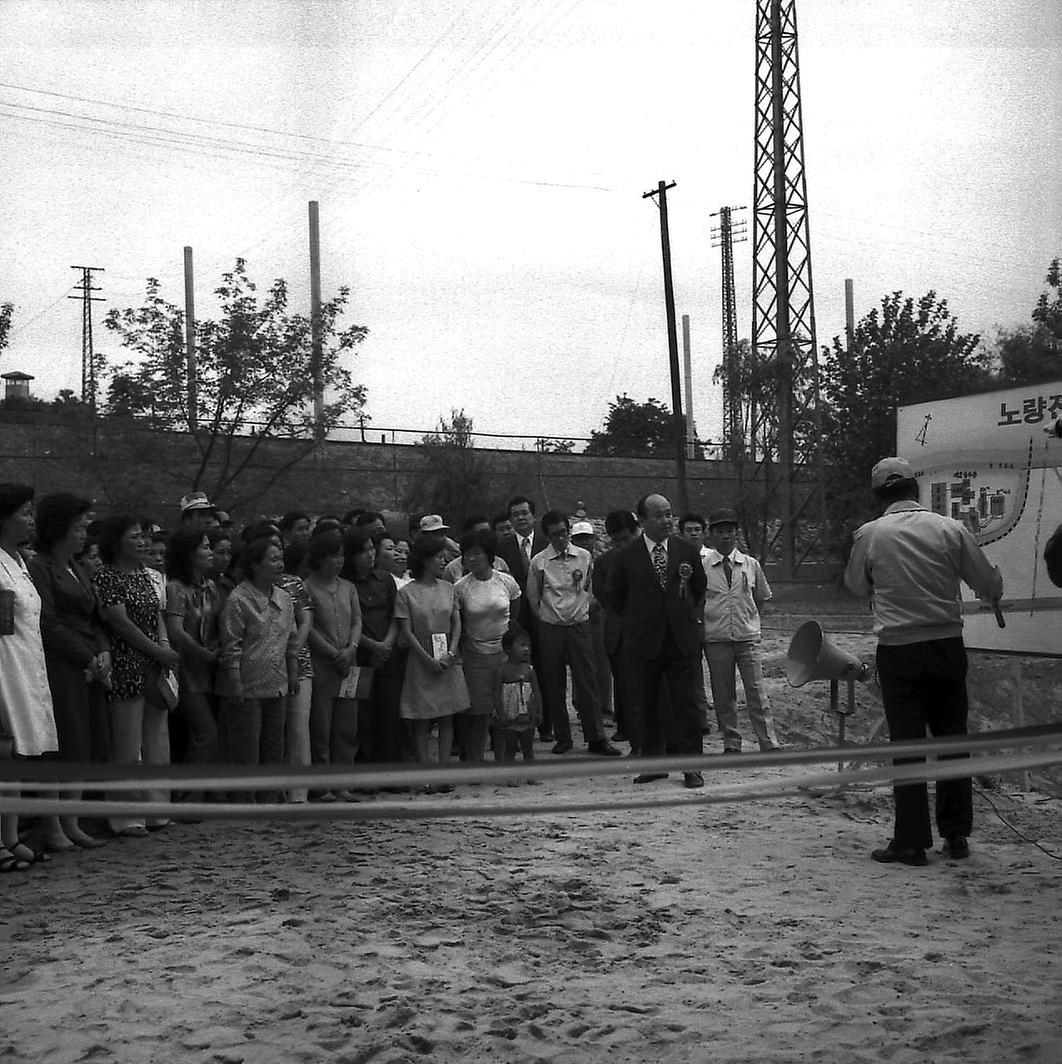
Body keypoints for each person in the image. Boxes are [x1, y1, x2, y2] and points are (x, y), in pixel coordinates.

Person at [845, 456, 1003, 867]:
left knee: (908, 746)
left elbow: (855, 585)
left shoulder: (870, 534)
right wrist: (993, 586)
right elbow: (987, 584)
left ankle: (911, 842)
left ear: (879, 495)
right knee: (952, 738)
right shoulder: (951, 529)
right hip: (947, 646)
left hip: (898, 651)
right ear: (915, 489)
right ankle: (955, 835)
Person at [605, 493, 708, 788]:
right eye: (659, 516)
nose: (667, 521)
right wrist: (640, 618)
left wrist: (680, 614)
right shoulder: (626, 556)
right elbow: (614, 595)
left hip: (680, 638)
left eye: (669, 514)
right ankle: (653, 763)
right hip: (644, 639)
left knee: (686, 704)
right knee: (646, 703)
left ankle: (692, 767)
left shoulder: (686, 551)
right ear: (643, 520)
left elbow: (699, 588)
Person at [29, 492, 111, 848]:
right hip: (61, 663)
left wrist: (104, 652)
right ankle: (52, 825)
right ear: (59, 528)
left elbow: (93, 616)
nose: (83, 534)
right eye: (78, 527)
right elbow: (48, 621)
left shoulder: (77, 568)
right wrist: (86, 657)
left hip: (90, 661)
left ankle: (72, 820)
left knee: (86, 741)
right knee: (66, 740)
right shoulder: (39, 567)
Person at [93, 515, 181, 835]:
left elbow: (156, 615)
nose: (142, 542)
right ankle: (126, 816)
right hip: (125, 664)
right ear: (116, 541)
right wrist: (158, 651)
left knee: (157, 741)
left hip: (154, 665)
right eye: (134, 537)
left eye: (143, 536)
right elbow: (119, 623)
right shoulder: (106, 576)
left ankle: (157, 810)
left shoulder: (145, 576)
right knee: (127, 746)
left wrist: (165, 647)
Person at [0, 483, 64, 868]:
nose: (31, 519)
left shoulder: (19, 561)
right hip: (4, 669)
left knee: (21, 757)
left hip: (27, 666)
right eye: (24, 512)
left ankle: (10, 839)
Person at [526, 511, 620, 757]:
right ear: (547, 536)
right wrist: (547, 617)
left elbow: (590, 588)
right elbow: (533, 596)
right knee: (554, 683)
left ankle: (596, 737)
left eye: (564, 533)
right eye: (555, 534)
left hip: (579, 625)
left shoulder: (585, 556)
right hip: (551, 627)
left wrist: (582, 610)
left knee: (587, 681)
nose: (561, 538)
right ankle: (563, 736)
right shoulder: (539, 561)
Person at [217, 537, 298, 803]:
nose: (280, 564)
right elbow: (231, 646)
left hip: (278, 683)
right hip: (248, 685)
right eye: (272, 559)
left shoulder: (285, 598)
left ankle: (270, 797)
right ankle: (244, 799)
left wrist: (293, 672)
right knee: (246, 748)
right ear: (254, 565)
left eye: (280, 558)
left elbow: (292, 640)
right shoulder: (238, 600)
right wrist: (235, 682)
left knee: (275, 745)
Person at [702, 507, 779, 754]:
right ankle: (731, 742)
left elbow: (761, 598)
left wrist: (750, 621)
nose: (725, 536)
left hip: (746, 637)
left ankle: (769, 742)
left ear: (736, 534)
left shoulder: (750, 564)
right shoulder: (703, 567)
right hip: (716, 638)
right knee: (723, 694)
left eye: (729, 531)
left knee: (757, 691)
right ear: (711, 535)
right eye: (720, 532)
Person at [394, 533, 468, 788]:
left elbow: (457, 622)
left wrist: (452, 650)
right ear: (425, 560)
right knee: (422, 718)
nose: (443, 560)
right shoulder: (407, 593)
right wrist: (426, 659)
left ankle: (444, 770)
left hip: (447, 654)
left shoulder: (449, 588)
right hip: (420, 658)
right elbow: (406, 631)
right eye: (438, 556)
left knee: (447, 716)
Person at [453, 528, 521, 763]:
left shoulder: (506, 582)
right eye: (466, 554)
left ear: (489, 555)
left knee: (507, 711)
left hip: (504, 655)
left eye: (476, 554)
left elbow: (514, 614)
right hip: (475, 656)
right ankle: (475, 760)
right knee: (478, 714)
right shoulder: (460, 588)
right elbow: (458, 624)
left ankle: (505, 761)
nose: (471, 559)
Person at [304, 530, 363, 801]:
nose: (339, 560)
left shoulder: (348, 587)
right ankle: (322, 785)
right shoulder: (307, 588)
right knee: (321, 728)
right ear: (320, 558)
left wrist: (351, 648)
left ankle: (344, 784)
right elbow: (309, 628)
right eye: (333, 555)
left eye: (341, 555)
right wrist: (333, 653)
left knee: (347, 728)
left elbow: (356, 621)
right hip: (322, 665)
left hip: (350, 664)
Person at [165, 527, 223, 776]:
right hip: (187, 671)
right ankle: (188, 797)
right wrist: (203, 652)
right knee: (205, 732)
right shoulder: (176, 588)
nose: (211, 553)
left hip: (211, 670)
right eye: (206, 547)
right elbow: (175, 630)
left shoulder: (210, 586)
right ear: (189, 553)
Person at [495, 496, 552, 740]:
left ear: (533, 516)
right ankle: (519, 725)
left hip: (547, 613)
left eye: (524, 513)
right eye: (515, 514)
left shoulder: (546, 542)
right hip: (518, 618)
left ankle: (547, 725)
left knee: (547, 671)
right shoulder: (502, 547)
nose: (520, 517)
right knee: (519, 673)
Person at [592, 509, 638, 743]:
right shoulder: (603, 563)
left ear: (636, 533)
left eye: (626, 539)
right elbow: (602, 596)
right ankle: (624, 724)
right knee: (621, 678)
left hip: (646, 628)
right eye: (616, 539)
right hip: (618, 628)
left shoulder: (648, 557)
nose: (621, 544)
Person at [277, 542, 314, 803]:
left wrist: (293, 651)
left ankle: (299, 793)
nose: (277, 561)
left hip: (299, 664)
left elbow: (306, 619)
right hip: (265, 667)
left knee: (299, 729)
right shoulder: (246, 589)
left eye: (279, 555)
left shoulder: (294, 584)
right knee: (273, 731)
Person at [571, 519, 613, 723]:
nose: (584, 542)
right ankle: (582, 707)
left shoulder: (600, 562)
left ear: (593, 539)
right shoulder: (569, 563)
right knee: (581, 663)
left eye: (587, 538)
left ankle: (605, 706)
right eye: (579, 539)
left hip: (599, 615)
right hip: (576, 617)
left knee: (602, 663)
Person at [493, 627, 542, 781]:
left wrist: (540, 712)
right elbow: (496, 694)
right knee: (511, 749)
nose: (526, 649)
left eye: (528, 645)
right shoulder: (502, 671)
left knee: (528, 748)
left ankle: (531, 775)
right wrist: (500, 714)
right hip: (509, 718)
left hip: (527, 717)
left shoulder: (530, 670)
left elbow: (537, 692)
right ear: (508, 649)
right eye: (521, 645)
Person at [443, 516, 511, 583]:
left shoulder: (500, 563)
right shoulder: (452, 568)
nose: (486, 535)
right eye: (482, 532)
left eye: (488, 531)